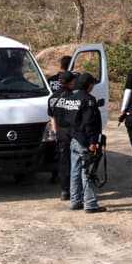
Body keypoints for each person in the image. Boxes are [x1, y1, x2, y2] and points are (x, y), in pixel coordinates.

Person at [69, 72, 106, 213]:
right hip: (84, 141)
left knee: (75, 171)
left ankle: (75, 200)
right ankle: (90, 204)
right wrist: (92, 142)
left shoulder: (72, 98)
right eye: (92, 84)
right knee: (87, 172)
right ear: (89, 85)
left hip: (74, 138)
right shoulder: (89, 100)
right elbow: (89, 122)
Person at [48, 70, 78, 200]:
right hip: (72, 132)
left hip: (60, 132)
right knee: (76, 162)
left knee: (64, 162)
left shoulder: (52, 98)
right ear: (71, 82)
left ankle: (65, 190)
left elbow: (52, 117)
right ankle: (75, 190)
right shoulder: (73, 98)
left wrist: (56, 133)